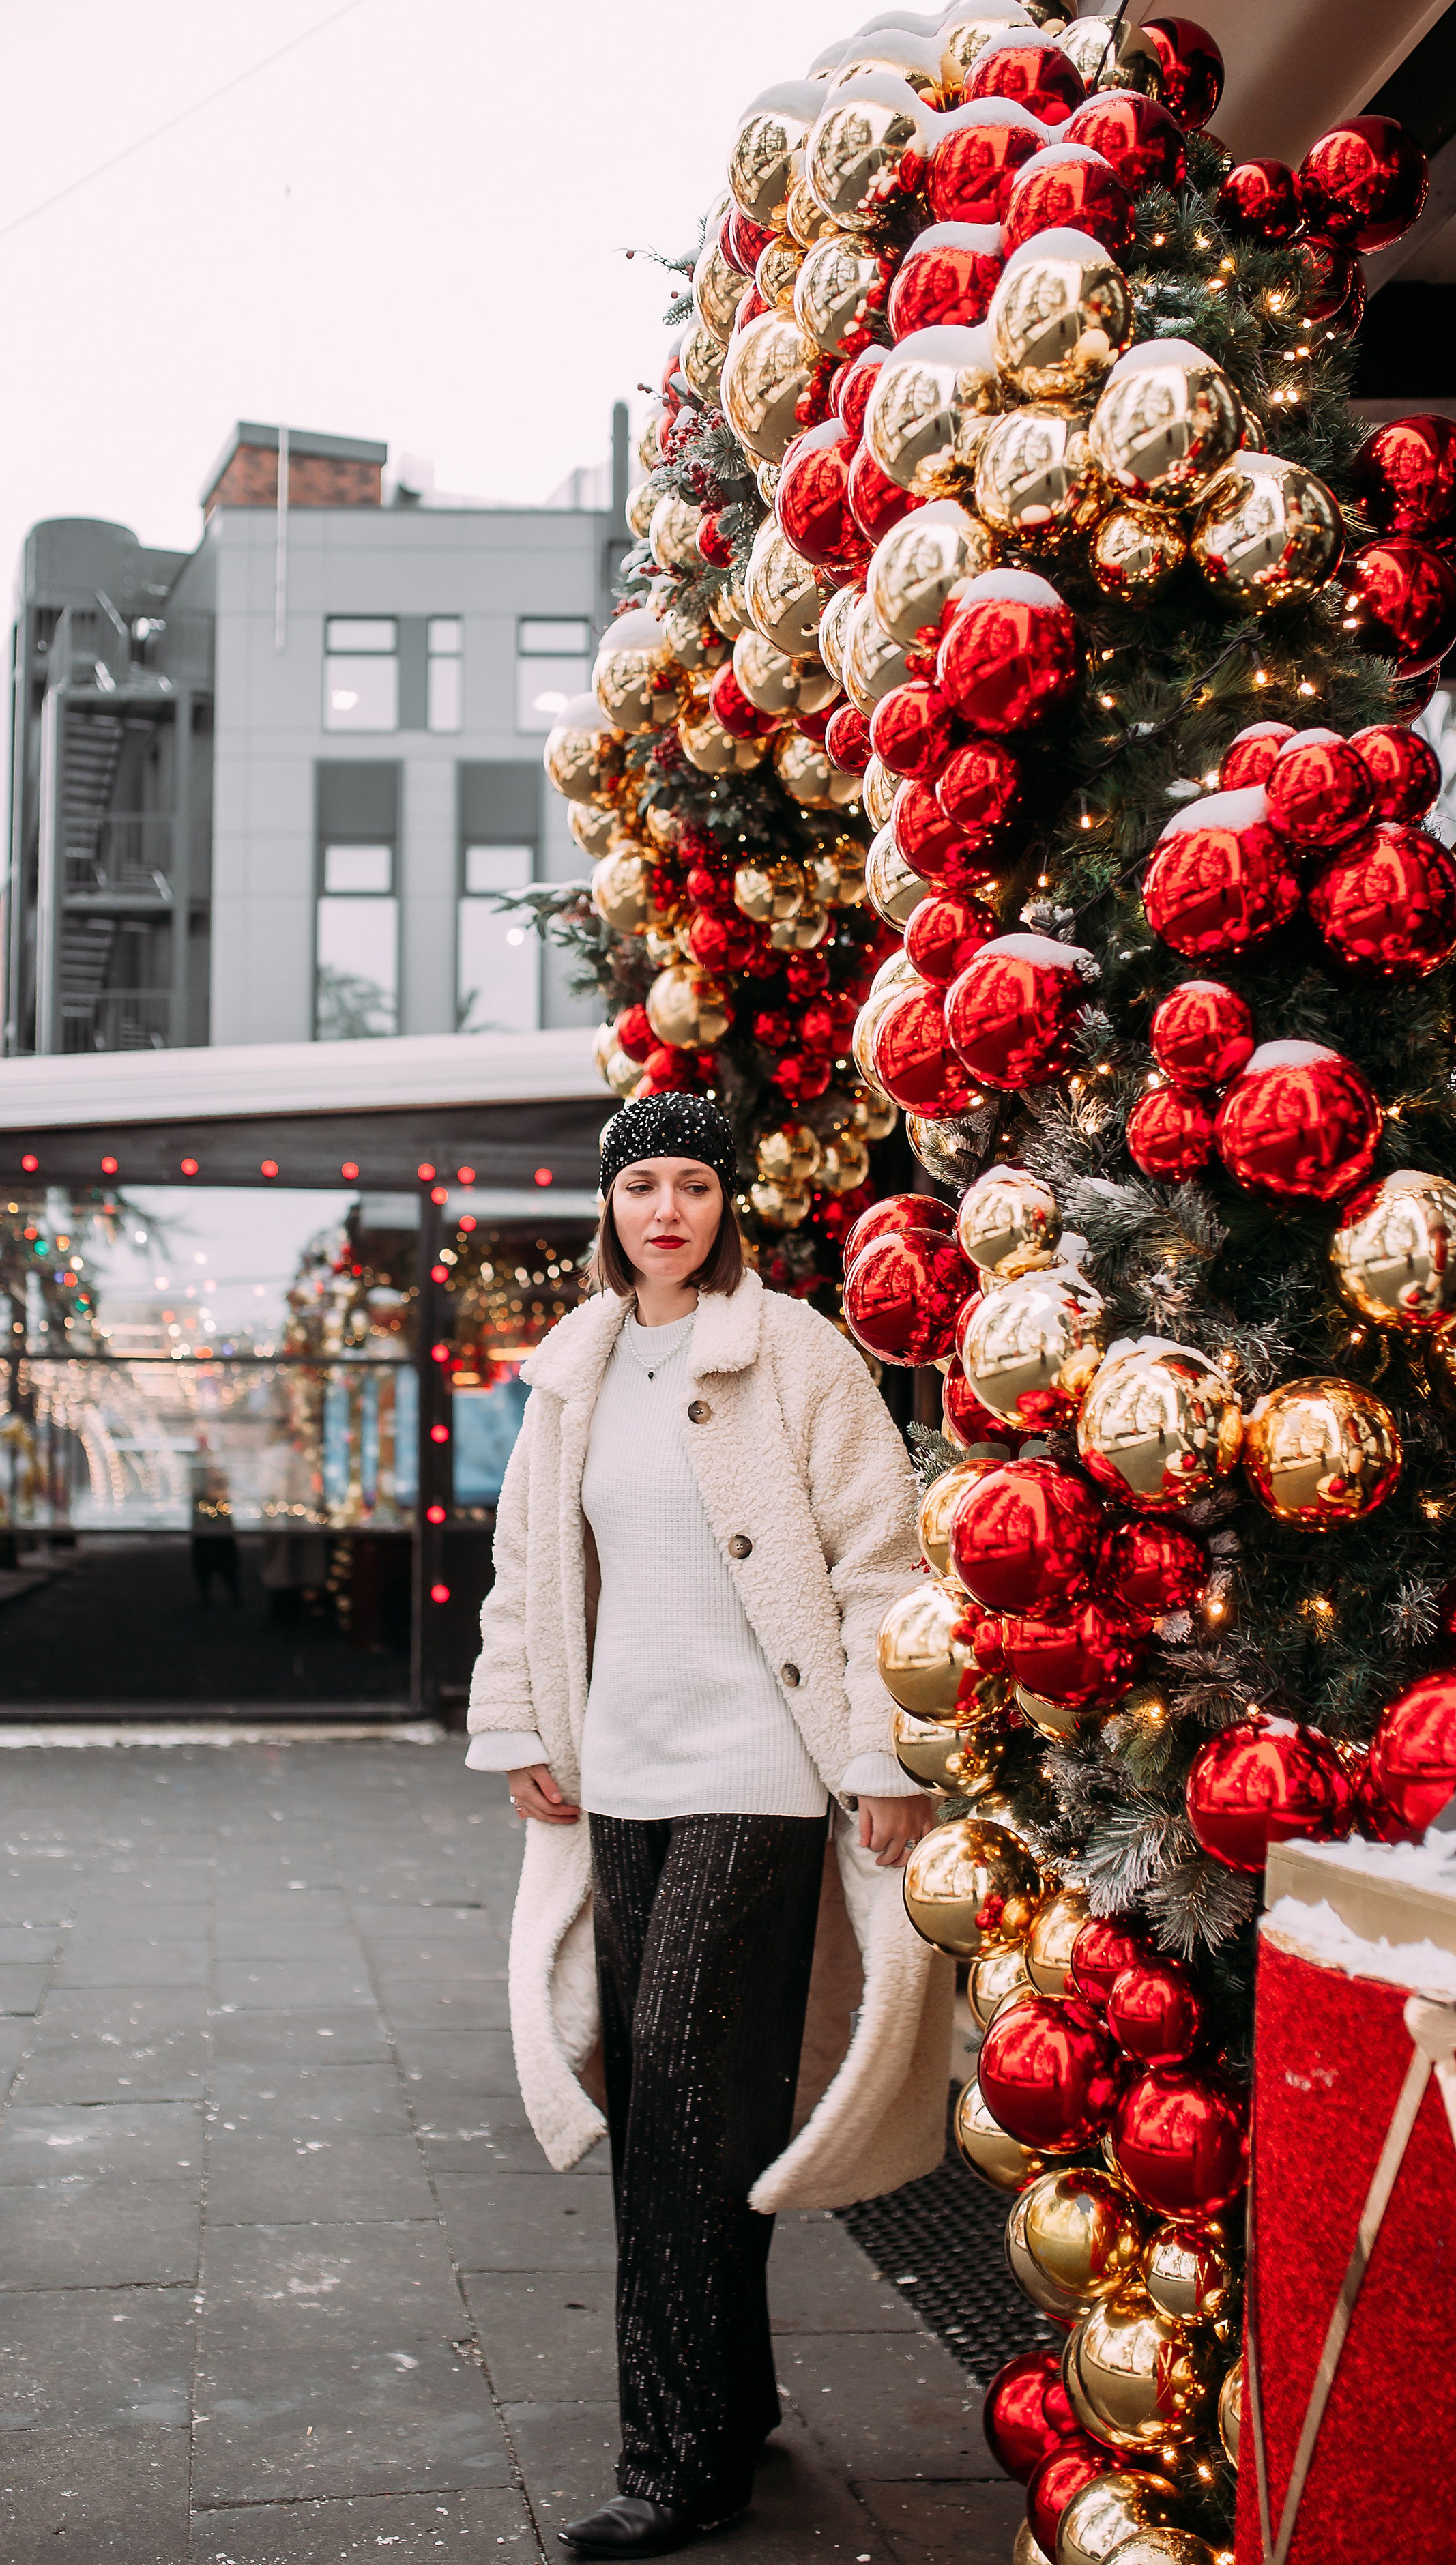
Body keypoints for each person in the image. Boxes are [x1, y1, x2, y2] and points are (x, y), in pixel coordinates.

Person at [465, 1094, 952, 2560]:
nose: (663, 1211)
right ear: (607, 1209)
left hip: (756, 1778)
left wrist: (883, 1752)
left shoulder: (793, 1350)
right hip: (618, 1778)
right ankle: (726, 2403)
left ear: (728, 1203)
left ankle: (674, 2462)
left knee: (678, 2093)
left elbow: (878, 1561)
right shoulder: (575, 1370)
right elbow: (523, 1574)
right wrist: (520, 1728)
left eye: (690, 1185)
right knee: (680, 2114)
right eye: (639, 1188)